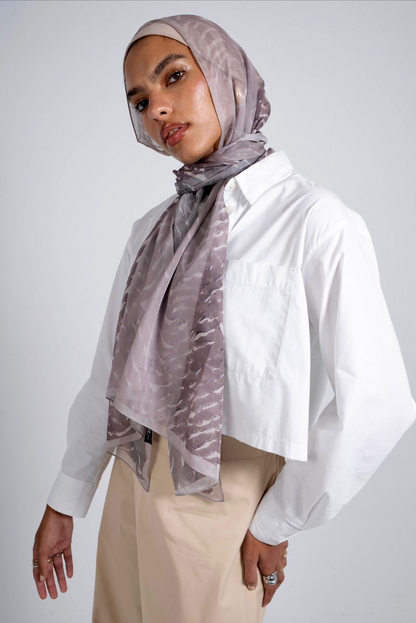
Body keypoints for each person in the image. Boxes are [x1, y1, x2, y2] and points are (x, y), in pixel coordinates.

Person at [32, 13, 416, 623]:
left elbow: (379, 401)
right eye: (140, 100)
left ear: (228, 76)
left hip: (224, 506)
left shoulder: (314, 223)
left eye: (174, 77)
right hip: (130, 484)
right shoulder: (153, 231)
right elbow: (108, 374)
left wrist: (277, 520)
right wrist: (67, 496)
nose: (157, 108)